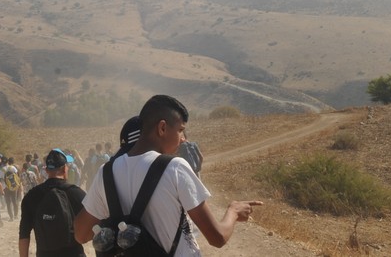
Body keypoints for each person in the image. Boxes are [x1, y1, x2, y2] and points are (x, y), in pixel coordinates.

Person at [75, 94, 262, 255]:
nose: (182, 138)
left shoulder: (106, 172)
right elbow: (217, 238)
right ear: (162, 128)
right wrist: (234, 211)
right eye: (180, 130)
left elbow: (81, 234)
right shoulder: (175, 167)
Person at [19, 149, 87, 257]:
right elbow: (90, 231)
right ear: (65, 169)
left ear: (46, 170)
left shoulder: (31, 196)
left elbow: (24, 234)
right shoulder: (77, 193)